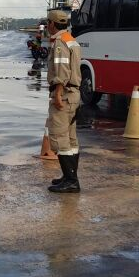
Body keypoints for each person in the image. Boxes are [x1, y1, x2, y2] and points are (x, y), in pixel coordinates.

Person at [45, 10, 82, 193]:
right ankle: (69, 177)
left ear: (52, 24)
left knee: (59, 137)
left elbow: (61, 71)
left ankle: (71, 180)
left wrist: (58, 93)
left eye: (47, 23)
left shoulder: (59, 42)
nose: (46, 27)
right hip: (74, 95)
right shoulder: (71, 39)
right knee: (71, 138)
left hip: (65, 94)